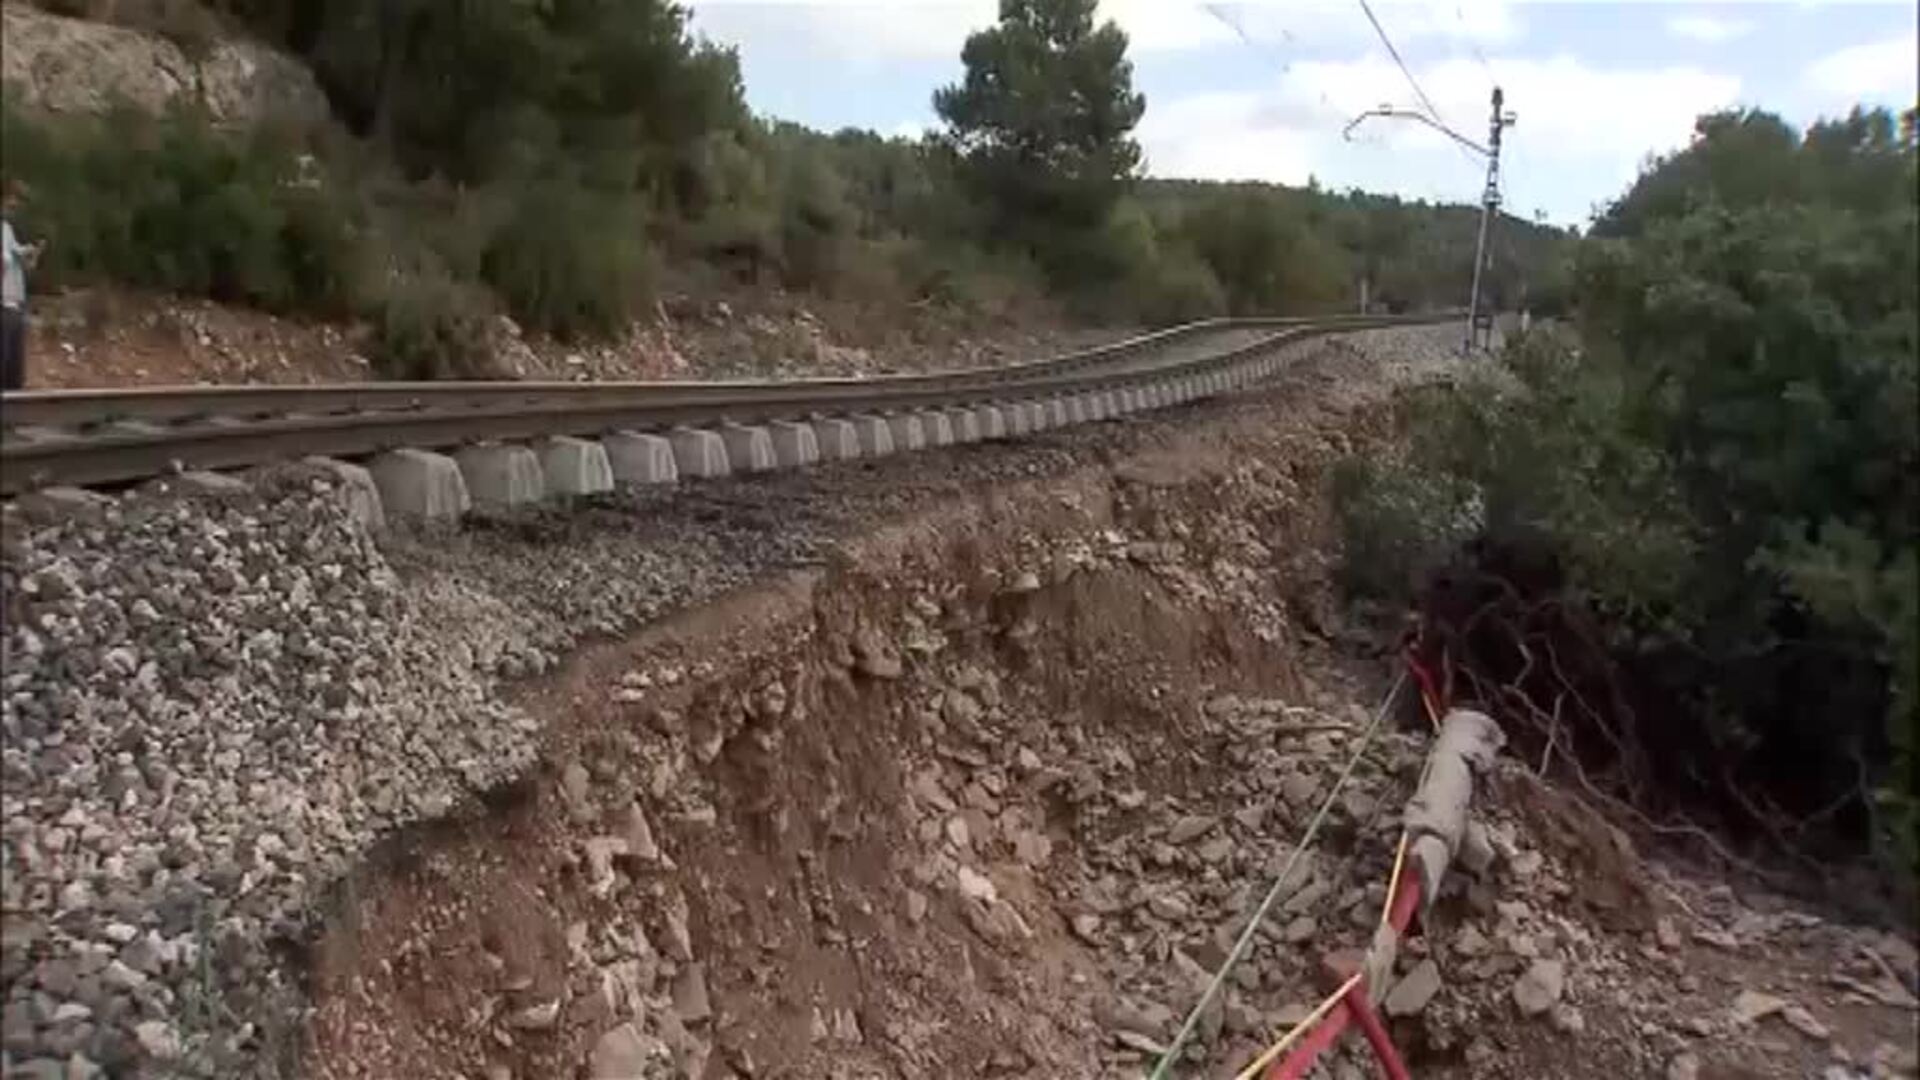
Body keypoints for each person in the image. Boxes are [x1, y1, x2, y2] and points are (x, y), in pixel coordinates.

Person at [3, 179, 42, 391]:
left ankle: (12, 419)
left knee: (14, 376)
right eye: (12, 201)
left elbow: (20, 264)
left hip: (14, 306)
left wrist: (30, 256)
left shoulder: (7, 229)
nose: (15, 206)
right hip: (4, 307)